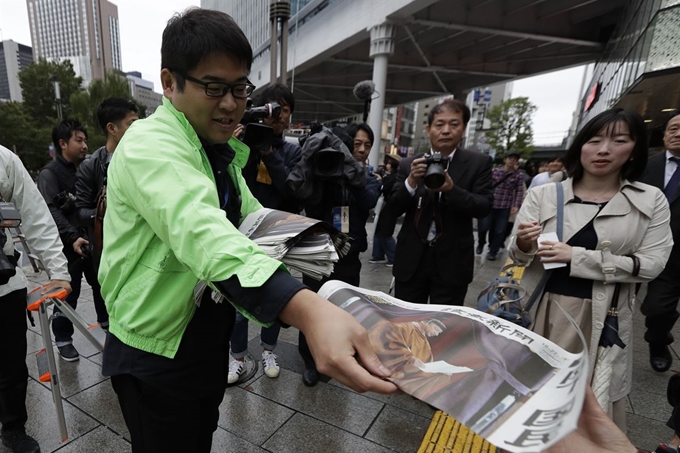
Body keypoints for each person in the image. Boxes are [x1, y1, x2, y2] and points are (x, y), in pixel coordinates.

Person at [97, 9, 395, 453]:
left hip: (202, 330)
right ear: (168, 81)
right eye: (214, 88)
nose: (232, 103)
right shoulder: (149, 144)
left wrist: (328, 285)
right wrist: (309, 313)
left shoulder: (216, 150)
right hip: (153, 348)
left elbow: (254, 223)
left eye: (240, 88)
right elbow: (206, 235)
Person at [510, 108, 672, 429]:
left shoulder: (650, 199)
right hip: (541, 309)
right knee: (532, 399)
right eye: (594, 140)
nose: (603, 150)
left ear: (634, 149)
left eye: (619, 140)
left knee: (586, 407)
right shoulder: (545, 194)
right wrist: (524, 244)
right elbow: (516, 255)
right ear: (580, 146)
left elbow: (650, 266)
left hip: (603, 316)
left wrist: (577, 256)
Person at [227, 83, 302, 385]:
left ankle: (269, 350)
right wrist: (232, 147)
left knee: (274, 297)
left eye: (284, 110)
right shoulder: (242, 142)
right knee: (237, 300)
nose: (277, 116)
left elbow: (292, 193)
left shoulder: (293, 151)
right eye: (272, 109)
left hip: (278, 233)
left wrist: (270, 152)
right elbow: (227, 184)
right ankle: (237, 356)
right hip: (241, 233)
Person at [297, 122, 382, 387]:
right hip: (318, 252)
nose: (362, 149)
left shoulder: (369, 176)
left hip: (350, 253)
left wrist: (352, 175)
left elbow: (368, 202)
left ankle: (341, 355)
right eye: (356, 144)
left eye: (367, 145)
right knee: (311, 308)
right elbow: (308, 202)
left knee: (346, 309)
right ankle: (310, 361)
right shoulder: (324, 168)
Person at [0, 144, 71, 453]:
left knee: (11, 365)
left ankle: (13, 427)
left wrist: (58, 270)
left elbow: (33, 211)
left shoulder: (2, 158)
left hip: (3, 285)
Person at [388, 99, 493, 306]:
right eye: (439, 125)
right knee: (406, 323)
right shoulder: (410, 164)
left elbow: (483, 206)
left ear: (463, 128)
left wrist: (451, 190)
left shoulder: (478, 163)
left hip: (453, 261)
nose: (446, 130)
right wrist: (411, 181)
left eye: (454, 124)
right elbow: (393, 208)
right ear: (428, 129)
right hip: (411, 260)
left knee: (445, 328)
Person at [37, 118, 103, 362]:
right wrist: (73, 236)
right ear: (63, 144)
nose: (85, 145)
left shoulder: (87, 168)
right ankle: (63, 339)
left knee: (101, 286)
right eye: (79, 140)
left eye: (85, 140)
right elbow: (50, 211)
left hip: (91, 241)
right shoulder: (48, 174)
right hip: (67, 247)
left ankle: (106, 326)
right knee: (68, 294)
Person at [74, 97, 139, 329]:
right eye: (132, 123)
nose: (138, 128)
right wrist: (107, 212)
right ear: (112, 128)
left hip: (140, 248)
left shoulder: (143, 157)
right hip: (108, 251)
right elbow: (80, 212)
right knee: (115, 315)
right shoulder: (91, 166)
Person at [639, 109, 680, 373]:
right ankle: (658, 340)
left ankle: (658, 338)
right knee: (655, 308)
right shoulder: (645, 166)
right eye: (673, 128)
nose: (677, 134)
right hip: (650, 248)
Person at [476, 152, 525, 260]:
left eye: (515, 159)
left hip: (505, 206)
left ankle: (493, 251)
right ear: (505, 159)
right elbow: (485, 185)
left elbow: (519, 191)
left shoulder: (518, 175)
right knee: (483, 227)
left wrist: (516, 204)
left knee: (499, 230)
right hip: (490, 204)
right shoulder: (494, 171)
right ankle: (481, 243)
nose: (512, 160)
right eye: (510, 158)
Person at [369, 154, 401, 266]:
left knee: (386, 233)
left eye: (389, 164)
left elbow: (386, 188)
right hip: (385, 207)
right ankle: (378, 255)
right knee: (379, 231)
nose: (387, 166)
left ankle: (393, 258)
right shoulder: (391, 176)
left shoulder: (395, 177)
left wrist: (381, 181)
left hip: (390, 207)